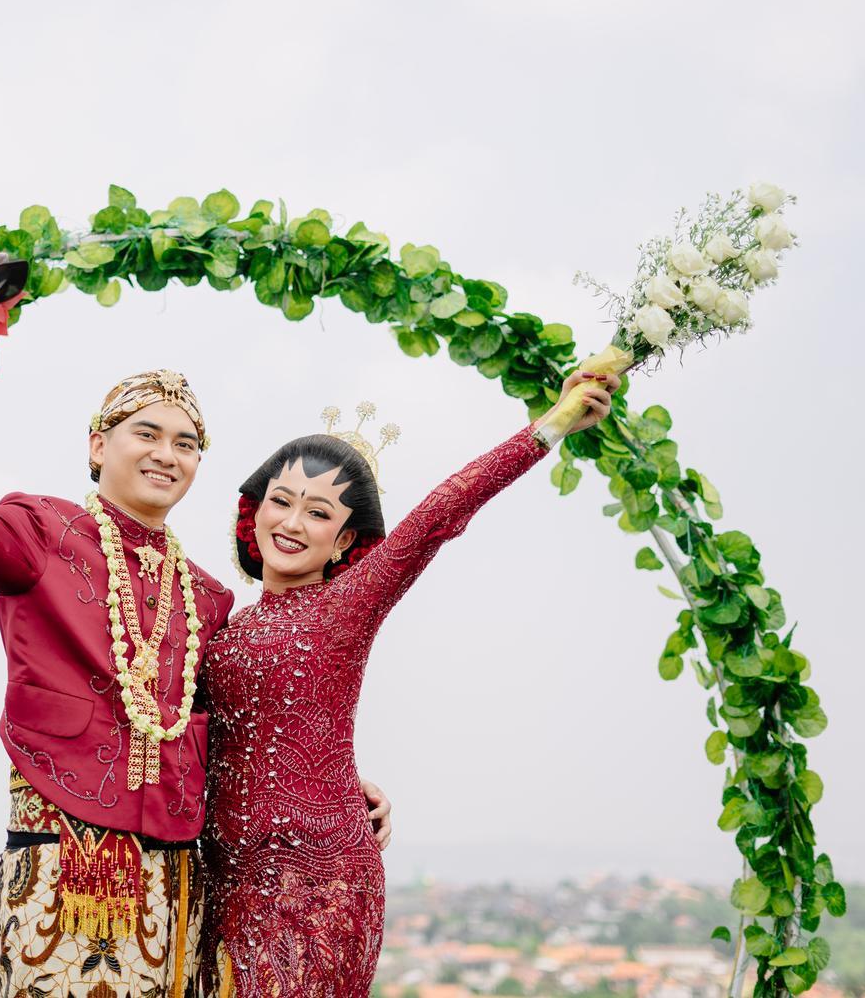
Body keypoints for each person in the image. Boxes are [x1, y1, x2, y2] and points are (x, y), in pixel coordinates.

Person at [0, 342, 394, 998]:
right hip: (65, 858)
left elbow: (234, 724)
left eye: (185, 443)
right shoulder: (43, 532)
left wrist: (329, 784)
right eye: (147, 434)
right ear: (98, 446)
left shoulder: (206, 597)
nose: (166, 454)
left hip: (181, 883)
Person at [200, 369, 621, 997]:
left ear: (344, 540)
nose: (292, 522)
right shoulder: (218, 628)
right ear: (254, 510)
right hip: (221, 882)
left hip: (322, 881)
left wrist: (551, 426)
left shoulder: (346, 606)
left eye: (318, 513)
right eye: (281, 502)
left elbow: (438, 515)